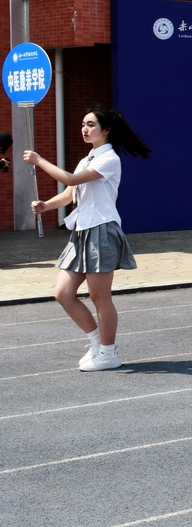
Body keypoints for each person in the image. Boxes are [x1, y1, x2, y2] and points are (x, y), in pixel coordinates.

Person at [24, 109, 153, 372]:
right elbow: (69, 194)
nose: (84, 129)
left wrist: (39, 161)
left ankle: (108, 352)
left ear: (106, 130)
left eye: (91, 124)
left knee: (99, 297)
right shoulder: (86, 159)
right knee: (63, 293)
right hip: (81, 231)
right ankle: (97, 343)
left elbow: (69, 179)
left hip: (102, 230)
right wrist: (45, 205)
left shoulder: (110, 159)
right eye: (83, 124)